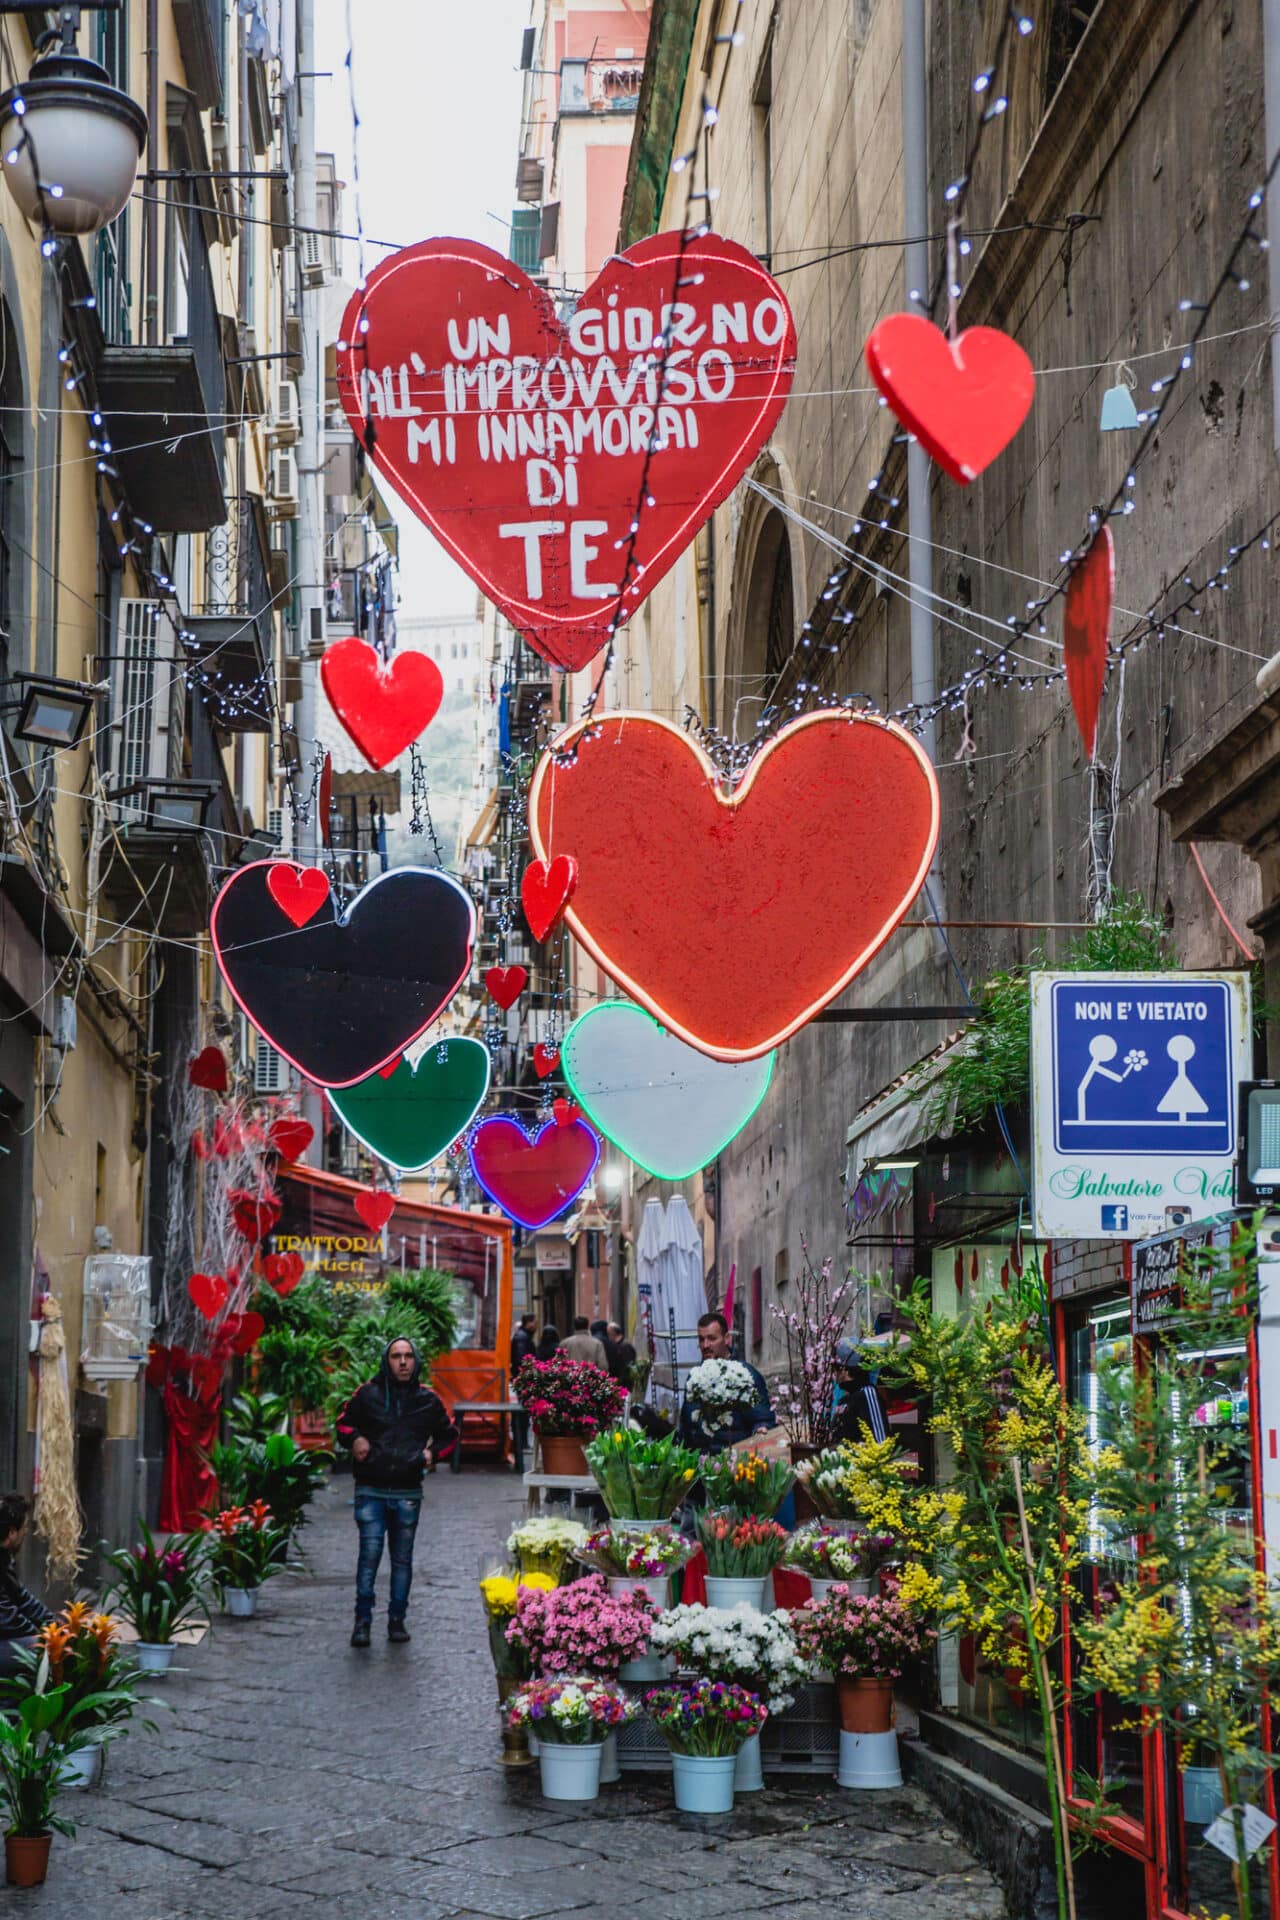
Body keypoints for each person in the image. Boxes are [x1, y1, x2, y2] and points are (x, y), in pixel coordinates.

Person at [335, 1337, 458, 1649]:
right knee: (369, 1557)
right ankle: (362, 1622)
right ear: (386, 1360)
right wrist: (356, 1440)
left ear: (415, 1360)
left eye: (408, 1356)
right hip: (370, 1490)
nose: (403, 1362)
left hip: (407, 1492)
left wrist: (432, 1456)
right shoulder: (367, 1394)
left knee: (402, 1561)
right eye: (396, 1356)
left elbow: (450, 1436)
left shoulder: (428, 1400)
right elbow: (343, 1424)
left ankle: (396, 1621)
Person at [678, 1310, 775, 1453]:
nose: (705, 1345)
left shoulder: (746, 1375)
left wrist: (760, 1432)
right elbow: (686, 1429)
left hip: (734, 1460)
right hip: (699, 1464)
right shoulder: (694, 1378)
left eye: (712, 1338)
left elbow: (763, 1420)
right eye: (701, 1339)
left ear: (727, 1339)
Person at [0, 1493, 51, 1676]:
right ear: (12, 1532)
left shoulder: (4, 1558)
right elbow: (5, 1616)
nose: (26, 1531)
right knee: (37, 1650)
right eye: (25, 1527)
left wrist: (54, 1626)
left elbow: (22, 1598)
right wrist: (42, 1636)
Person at [830, 1339, 889, 1444]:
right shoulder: (845, 1399)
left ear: (844, 1371)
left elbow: (881, 1442)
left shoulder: (867, 1393)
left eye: (834, 1369)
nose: (833, 1374)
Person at [509, 1313, 537, 1474]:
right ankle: (522, 1442)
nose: (536, 1325)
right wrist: (526, 1374)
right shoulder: (522, 1338)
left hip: (522, 1378)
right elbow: (521, 1359)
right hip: (523, 1379)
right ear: (529, 1323)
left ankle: (522, 1441)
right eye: (534, 1322)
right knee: (522, 1412)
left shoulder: (522, 1337)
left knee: (523, 1412)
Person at [607, 1321, 636, 1388]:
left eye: (608, 1333)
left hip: (625, 1385)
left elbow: (626, 1367)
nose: (608, 1336)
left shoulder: (625, 1347)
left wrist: (619, 1381)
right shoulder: (619, 1345)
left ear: (613, 1332)